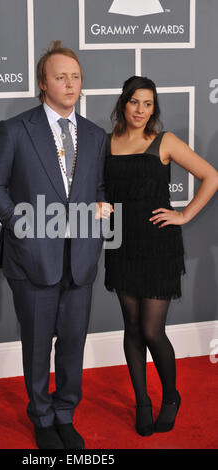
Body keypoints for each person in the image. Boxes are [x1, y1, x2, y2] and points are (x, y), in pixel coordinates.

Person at [0, 41, 112, 450]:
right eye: (60, 77)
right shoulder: (15, 130)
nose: (70, 84)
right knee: (37, 344)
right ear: (42, 83)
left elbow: (99, 188)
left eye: (75, 77)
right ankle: (40, 417)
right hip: (33, 259)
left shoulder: (94, 135)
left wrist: (103, 210)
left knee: (73, 342)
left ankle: (65, 412)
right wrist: (24, 225)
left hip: (81, 260)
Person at [104, 76, 218, 436]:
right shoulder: (107, 144)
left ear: (154, 108)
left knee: (153, 330)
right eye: (135, 102)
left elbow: (211, 176)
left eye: (148, 104)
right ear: (123, 103)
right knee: (132, 329)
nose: (141, 110)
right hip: (121, 245)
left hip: (158, 246)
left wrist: (183, 214)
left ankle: (170, 397)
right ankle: (142, 401)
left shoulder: (164, 141)